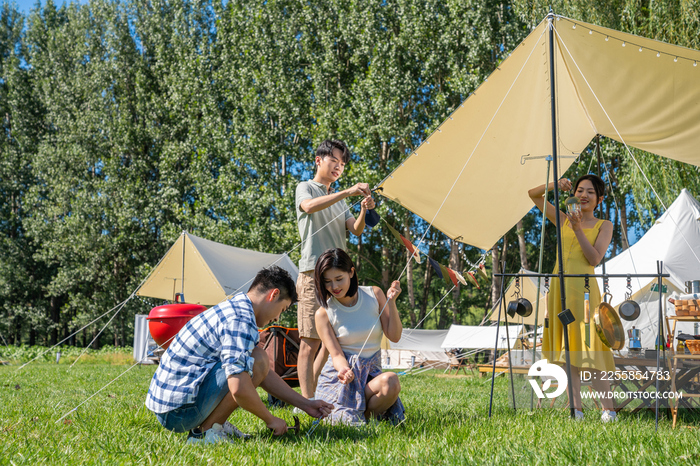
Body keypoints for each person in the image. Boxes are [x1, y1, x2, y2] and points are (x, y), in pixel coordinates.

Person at [145, 266, 334, 444]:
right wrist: (270, 419)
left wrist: (305, 404)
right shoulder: (240, 319)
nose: (277, 318)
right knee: (257, 358)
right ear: (273, 294)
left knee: (256, 358)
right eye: (282, 310)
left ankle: (212, 424)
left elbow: (263, 372)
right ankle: (205, 433)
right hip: (178, 413)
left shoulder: (236, 307)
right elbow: (239, 387)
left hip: (172, 407)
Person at [528, 174, 617, 422]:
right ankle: (575, 409)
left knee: (592, 347)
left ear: (599, 199)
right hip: (560, 289)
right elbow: (533, 195)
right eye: (579, 190)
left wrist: (578, 229)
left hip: (586, 292)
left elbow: (594, 259)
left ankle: (608, 410)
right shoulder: (563, 219)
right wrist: (553, 186)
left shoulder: (604, 225)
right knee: (568, 350)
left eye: (590, 192)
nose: (583, 195)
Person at [295, 139, 376, 402]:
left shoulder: (341, 202)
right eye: (334, 161)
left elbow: (355, 229)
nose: (338, 167)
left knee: (332, 343)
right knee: (310, 341)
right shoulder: (305, 187)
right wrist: (348, 192)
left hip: (337, 275)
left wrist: (362, 210)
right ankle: (306, 403)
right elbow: (308, 207)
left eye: (342, 164)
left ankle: (320, 396)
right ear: (318, 160)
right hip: (312, 273)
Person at [313, 248, 405, 425]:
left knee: (391, 381)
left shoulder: (374, 295)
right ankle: (359, 417)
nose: (334, 287)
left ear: (351, 272)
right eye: (327, 282)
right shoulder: (323, 314)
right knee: (339, 420)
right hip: (341, 379)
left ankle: (365, 416)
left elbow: (394, 336)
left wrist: (391, 303)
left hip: (371, 374)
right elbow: (336, 354)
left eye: (339, 279)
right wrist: (343, 371)